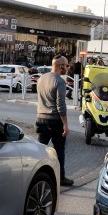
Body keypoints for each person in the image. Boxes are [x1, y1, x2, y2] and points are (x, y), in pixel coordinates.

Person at [36, 54, 74, 187]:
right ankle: (61, 177)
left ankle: (36, 175)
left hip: (41, 119)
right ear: (60, 66)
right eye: (66, 65)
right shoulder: (59, 81)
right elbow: (61, 106)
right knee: (59, 150)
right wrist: (65, 125)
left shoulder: (41, 78)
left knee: (40, 150)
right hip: (54, 121)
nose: (68, 68)